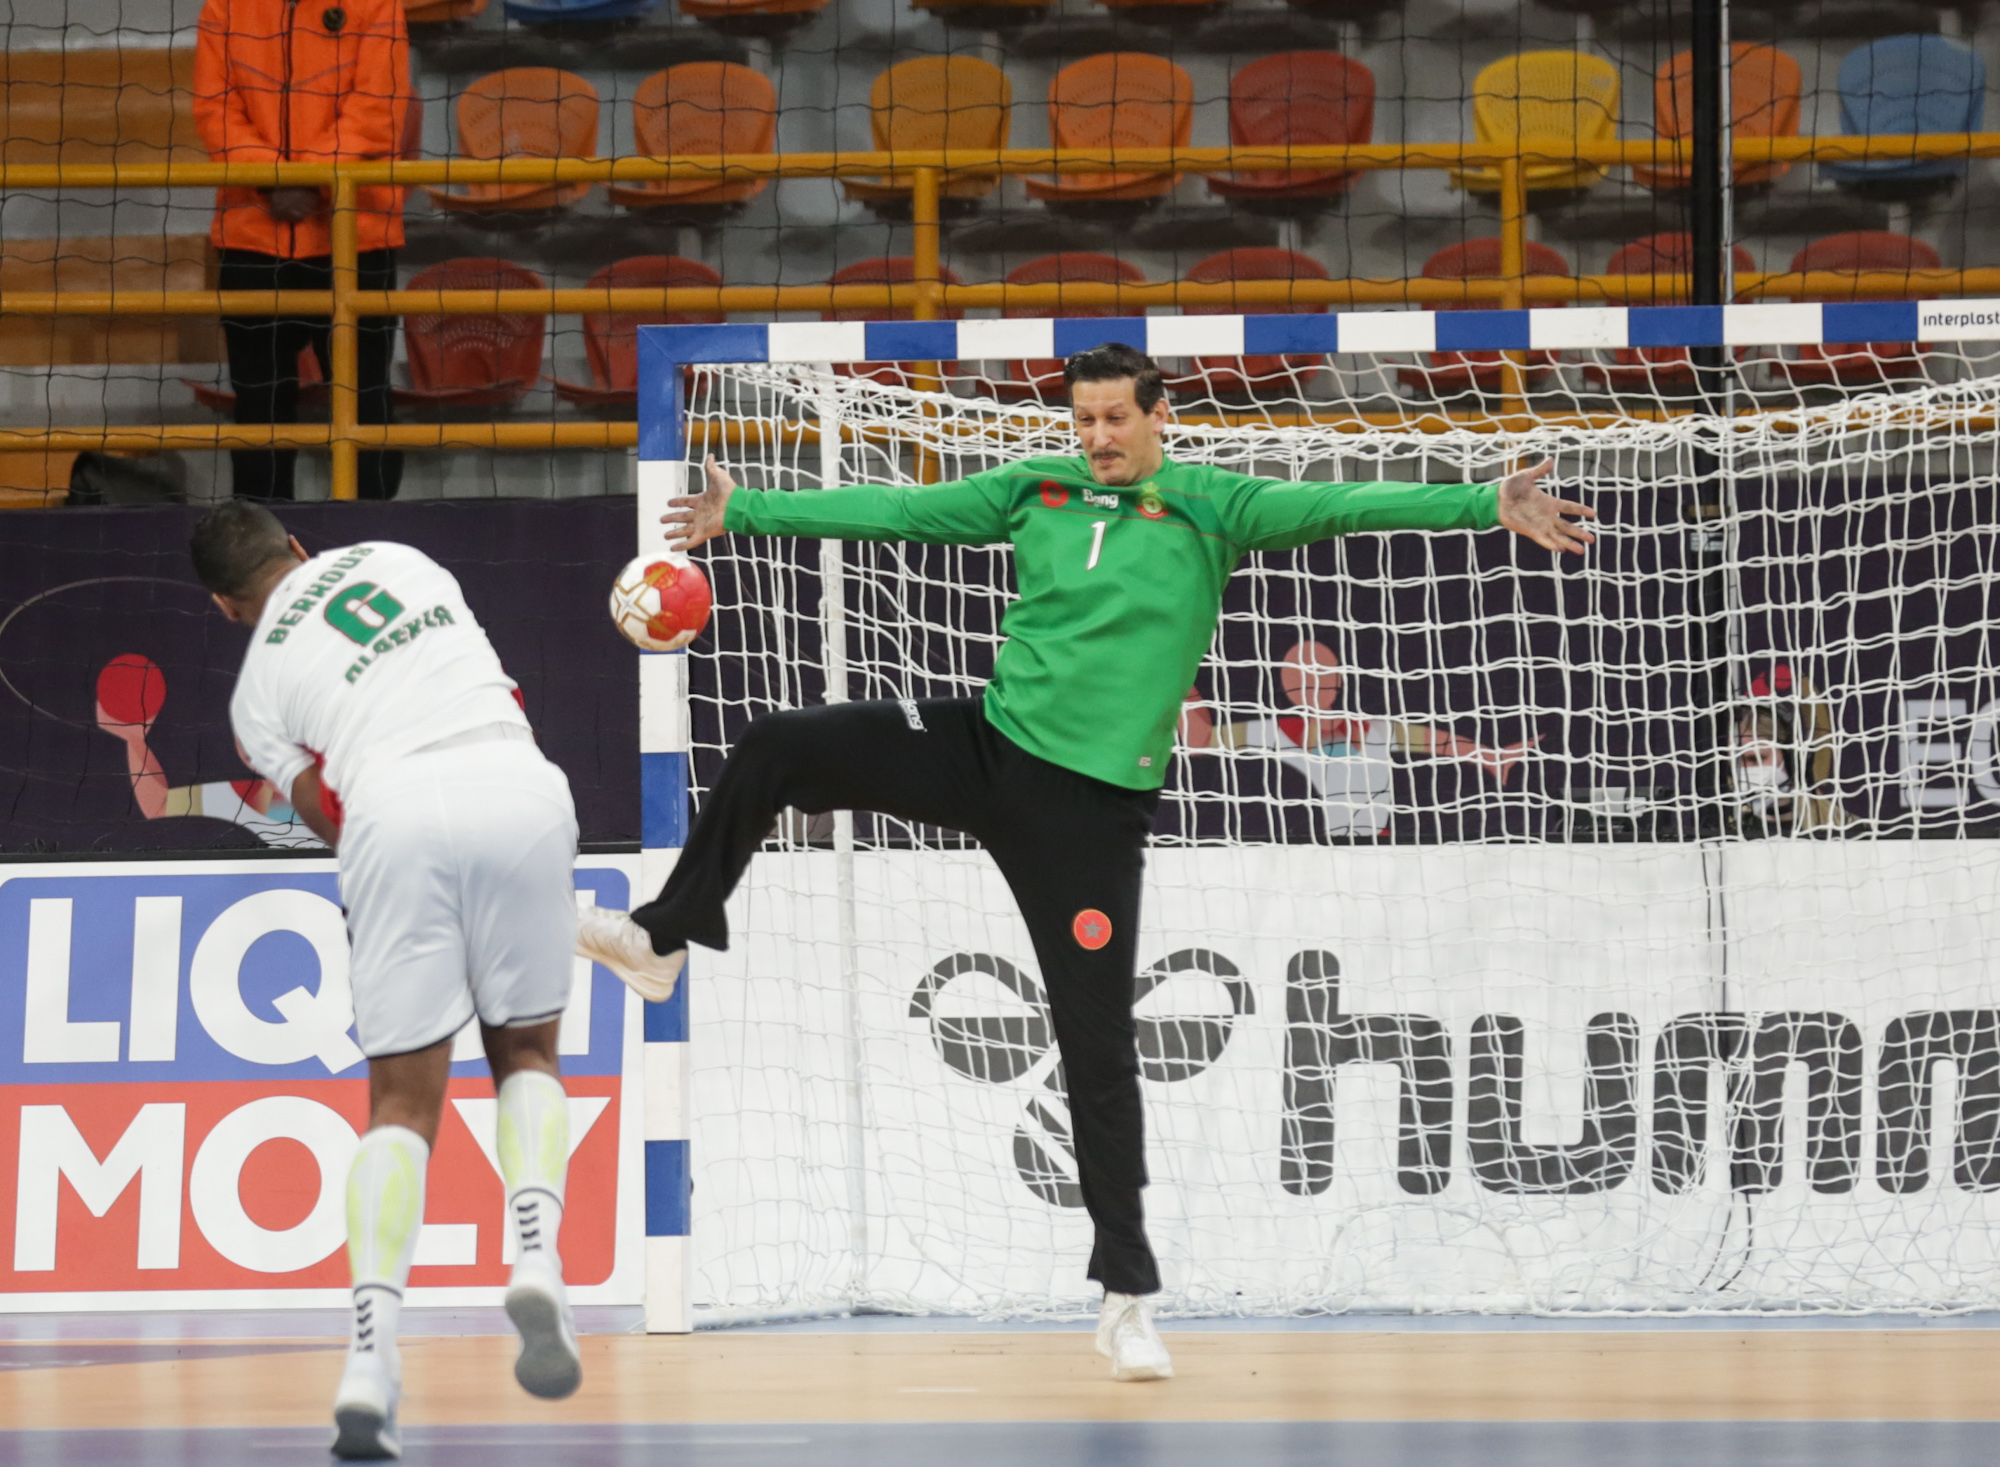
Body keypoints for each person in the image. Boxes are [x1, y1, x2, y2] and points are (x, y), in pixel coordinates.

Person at [575, 341, 1595, 1382]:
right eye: (1085, 420)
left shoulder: (1210, 506)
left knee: (1096, 1050)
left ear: (1157, 417)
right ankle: (664, 935)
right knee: (778, 745)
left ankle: (1125, 1297)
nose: (1098, 438)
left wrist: (1479, 505)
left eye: (1116, 419)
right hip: (985, 746)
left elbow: (1339, 508)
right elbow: (900, 516)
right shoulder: (1035, 489)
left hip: (1088, 815)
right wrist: (742, 515)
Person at [190, 500, 628, 1459]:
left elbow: (331, 813)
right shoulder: (401, 557)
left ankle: (370, 1358)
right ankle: (538, 1259)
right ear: (299, 547)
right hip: (517, 782)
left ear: (228, 607)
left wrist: (403, 883)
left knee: (399, 1103)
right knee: (526, 1050)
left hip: (388, 808)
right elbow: (498, 700)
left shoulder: (256, 692)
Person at [192, 0, 408, 501]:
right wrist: (275, 181)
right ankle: (264, 554)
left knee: (365, 404)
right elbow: (213, 109)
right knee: (258, 407)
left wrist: (303, 178)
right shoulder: (225, 7)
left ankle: (371, 540)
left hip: (356, 238)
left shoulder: (378, 3)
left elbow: (377, 107)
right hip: (253, 238)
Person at [1179, 639, 1537, 837]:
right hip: (1311, 850)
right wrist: (1179, 682)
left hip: (1379, 849)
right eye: (1300, 674)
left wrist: (1489, 756)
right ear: (1287, 684)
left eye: (1322, 671)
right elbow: (1201, 741)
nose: (1313, 681)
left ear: (1337, 678)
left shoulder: (1373, 729)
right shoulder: (1278, 732)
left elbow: (1435, 742)